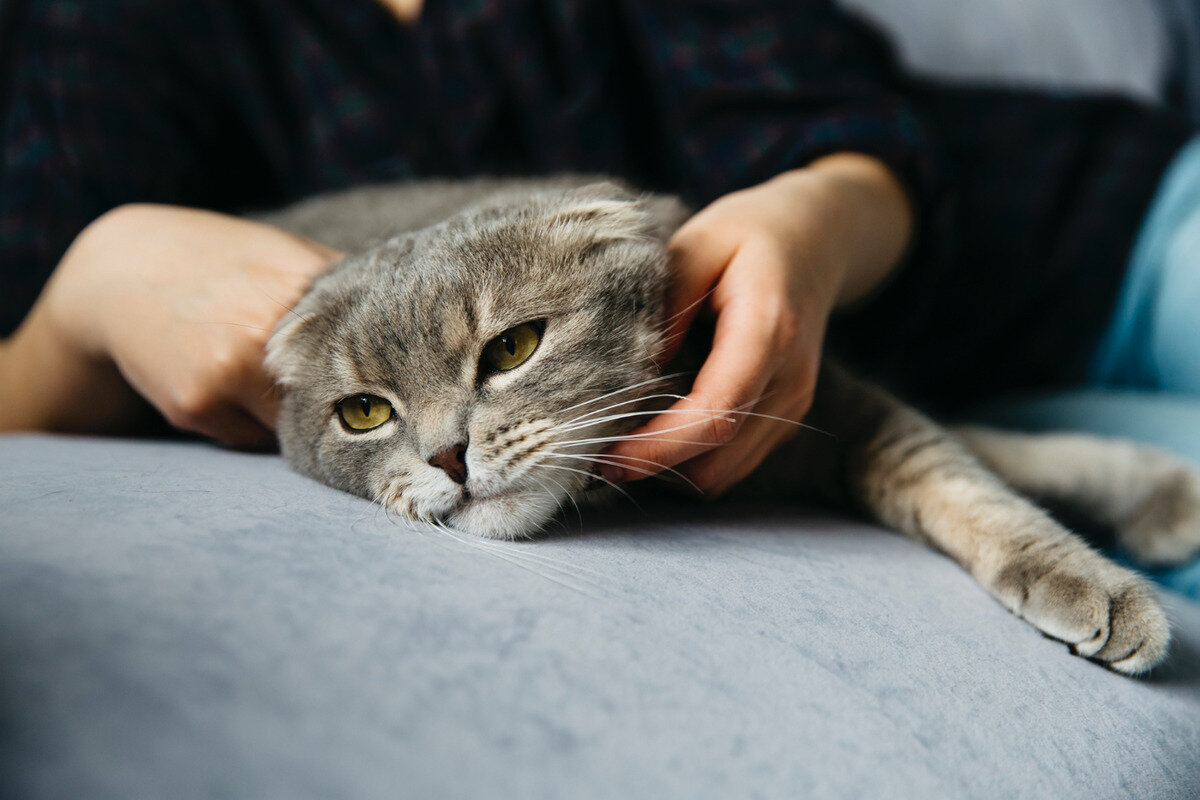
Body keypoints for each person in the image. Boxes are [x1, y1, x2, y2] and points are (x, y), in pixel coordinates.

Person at [0, 0, 1194, 500]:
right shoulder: (114, 28)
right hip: (959, 397)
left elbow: (848, 138)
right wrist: (84, 293)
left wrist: (808, 227)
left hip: (1095, 226)